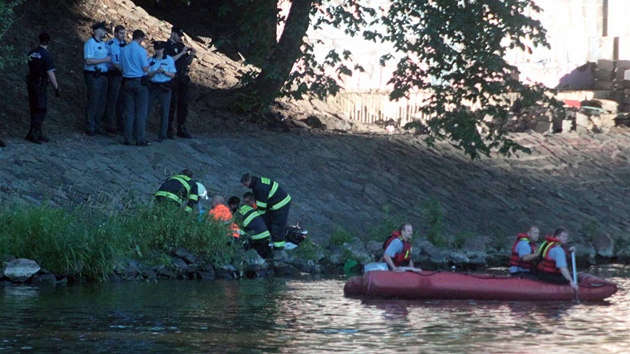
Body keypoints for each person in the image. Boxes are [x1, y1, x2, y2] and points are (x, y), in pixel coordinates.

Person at [241, 173, 291, 256]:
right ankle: (273, 242)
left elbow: (261, 206)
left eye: (245, 185)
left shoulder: (258, 188)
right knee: (271, 222)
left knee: (277, 226)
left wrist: (258, 217)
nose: (245, 186)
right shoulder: (258, 181)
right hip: (278, 201)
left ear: (248, 182)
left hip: (280, 205)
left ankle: (279, 249)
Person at [26, 32, 59, 144]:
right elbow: (50, 72)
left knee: (33, 107)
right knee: (40, 108)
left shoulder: (32, 52)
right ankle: (34, 132)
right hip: (40, 83)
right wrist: (56, 86)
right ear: (49, 41)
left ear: (38, 40)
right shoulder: (46, 55)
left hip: (31, 82)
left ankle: (35, 131)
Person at [164, 26, 196, 139]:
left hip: (183, 77)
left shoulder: (181, 46)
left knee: (183, 103)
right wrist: (182, 53)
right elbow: (170, 60)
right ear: (172, 33)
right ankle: (168, 128)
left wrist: (191, 55)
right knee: (172, 104)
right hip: (173, 78)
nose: (179, 38)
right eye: (178, 35)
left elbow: (187, 62)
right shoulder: (166, 46)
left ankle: (181, 126)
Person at [120, 29, 150, 146]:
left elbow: (121, 66)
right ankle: (139, 138)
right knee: (141, 111)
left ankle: (127, 137)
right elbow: (145, 68)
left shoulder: (124, 49)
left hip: (127, 81)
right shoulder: (141, 51)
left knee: (129, 111)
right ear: (140, 38)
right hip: (139, 82)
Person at [83, 21, 111, 136]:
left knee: (101, 102)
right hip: (94, 75)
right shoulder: (90, 43)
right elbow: (88, 60)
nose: (105, 32)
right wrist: (104, 60)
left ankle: (97, 124)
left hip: (104, 75)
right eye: (103, 30)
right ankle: (90, 125)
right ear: (98, 31)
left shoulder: (104, 44)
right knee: (93, 100)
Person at [147, 41, 176, 142]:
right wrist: (155, 71)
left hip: (164, 87)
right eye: (157, 49)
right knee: (147, 108)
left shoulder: (169, 60)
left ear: (163, 49)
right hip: (153, 86)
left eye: (160, 49)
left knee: (164, 111)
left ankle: (162, 134)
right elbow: (147, 74)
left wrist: (164, 72)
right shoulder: (150, 60)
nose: (159, 51)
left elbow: (172, 75)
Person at [104, 25, 127, 133]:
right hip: (113, 74)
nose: (123, 35)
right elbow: (104, 58)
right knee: (112, 99)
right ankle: (109, 123)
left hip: (124, 75)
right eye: (121, 33)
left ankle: (120, 123)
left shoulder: (125, 45)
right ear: (116, 33)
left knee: (121, 100)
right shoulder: (110, 44)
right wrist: (112, 65)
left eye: (124, 33)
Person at [236, 192, 271, 259]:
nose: (246, 204)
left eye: (247, 202)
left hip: (259, 236)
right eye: (244, 202)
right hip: (263, 235)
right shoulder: (250, 209)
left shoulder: (259, 208)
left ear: (253, 201)